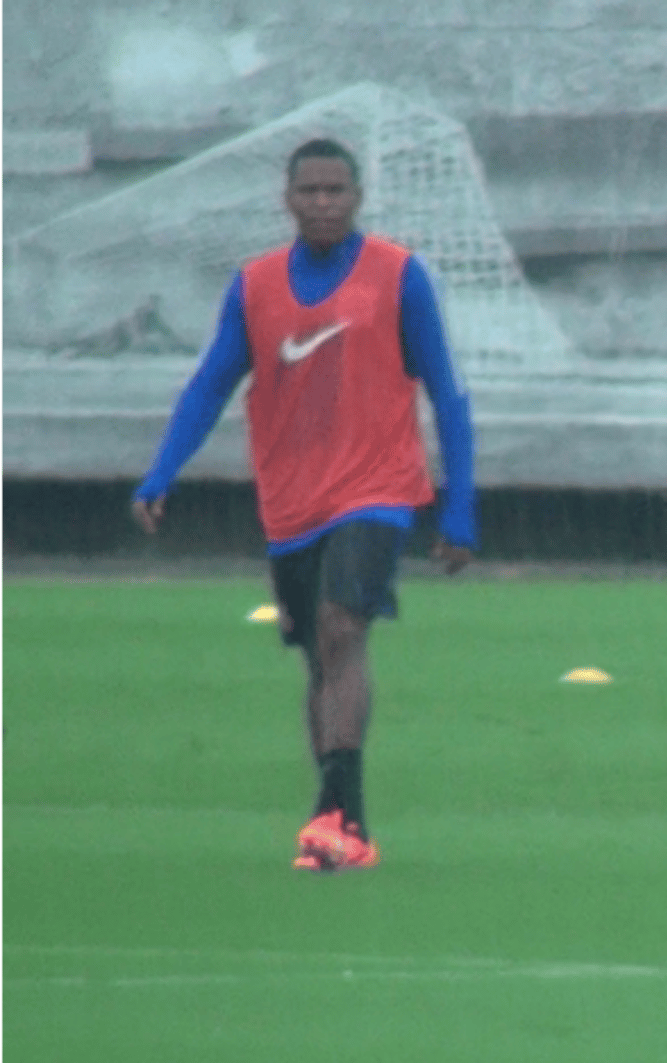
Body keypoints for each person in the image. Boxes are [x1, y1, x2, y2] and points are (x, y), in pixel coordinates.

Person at [131, 138, 479, 870]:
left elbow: (447, 392)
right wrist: (161, 472)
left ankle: (333, 814)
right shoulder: (256, 285)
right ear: (287, 199)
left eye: (336, 190)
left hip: (379, 491)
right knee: (319, 660)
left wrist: (459, 511)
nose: (323, 202)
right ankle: (342, 819)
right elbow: (210, 384)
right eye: (310, 191)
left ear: (358, 197)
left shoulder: (398, 277)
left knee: (341, 625)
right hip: (291, 503)